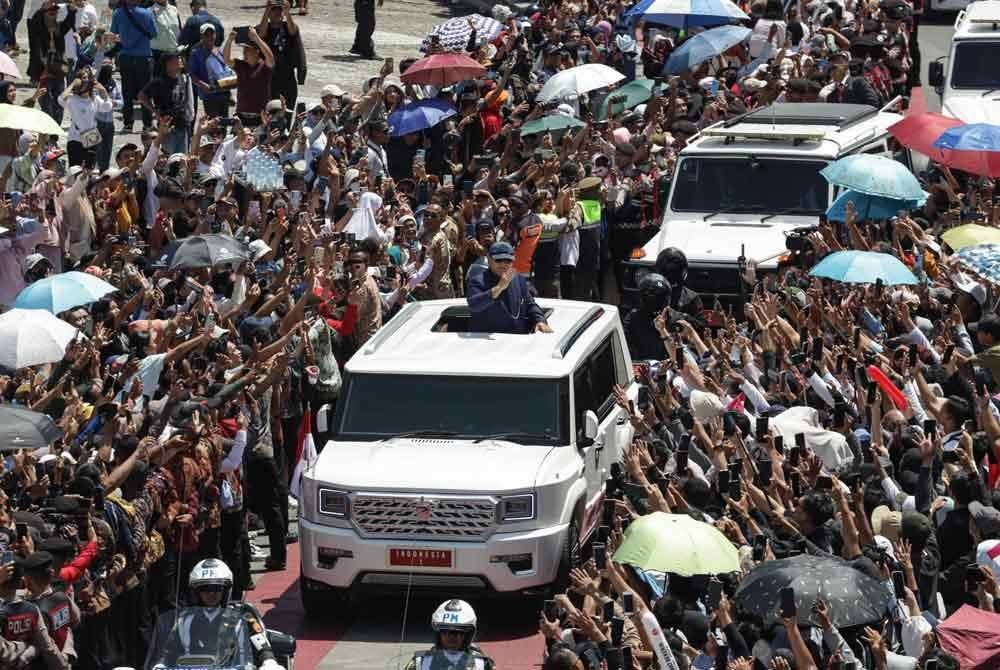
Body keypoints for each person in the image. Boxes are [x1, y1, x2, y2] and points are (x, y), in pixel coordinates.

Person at [145, 559, 284, 670]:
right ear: (196, 591)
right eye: (205, 588)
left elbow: (262, 644)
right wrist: (159, 664)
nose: (211, 593)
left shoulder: (244, 616)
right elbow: (167, 652)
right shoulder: (183, 620)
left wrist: (269, 661)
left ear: (226, 590)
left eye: (217, 588)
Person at [467, 242, 552, 335]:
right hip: (485, 342)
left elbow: (530, 304)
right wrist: (499, 288)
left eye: (508, 261)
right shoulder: (477, 281)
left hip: (515, 339)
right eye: (498, 260)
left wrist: (540, 320)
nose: (503, 264)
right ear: (489, 259)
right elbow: (474, 305)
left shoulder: (518, 279)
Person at [405, 600, 495, 670]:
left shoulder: (482, 664)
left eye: (457, 632)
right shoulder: (420, 662)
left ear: (468, 635)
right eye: (445, 631)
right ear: (438, 633)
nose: (450, 636)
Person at [110, 0, 156, 132]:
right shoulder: (147, 13)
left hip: (126, 56)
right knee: (145, 91)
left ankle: (128, 124)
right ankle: (147, 124)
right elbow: (153, 33)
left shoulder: (118, 13)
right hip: (143, 56)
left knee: (127, 91)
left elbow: (114, 33)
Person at [255, 0, 306, 112]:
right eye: (274, 10)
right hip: (269, 77)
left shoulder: (288, 27)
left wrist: (287, 12)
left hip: (287, 76)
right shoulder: (264, 27)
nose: (277, 13)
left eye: (280, 10)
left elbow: (293, 31)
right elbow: (260, 34)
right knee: (271, 110)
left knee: (288, 109)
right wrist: (267, 9)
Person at [58, 65, 113, 168]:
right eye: (83, 78)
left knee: (88, 170)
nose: (86, 81)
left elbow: (107, 107)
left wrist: (103, 91)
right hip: (75, 138)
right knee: (75, 170)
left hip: (91, 137)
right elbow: (61, 99)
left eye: (88, 78)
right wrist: (73, 84)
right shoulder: (72, 99)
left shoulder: (94, 99)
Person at [223, 25, 274, 126]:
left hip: (259, 118)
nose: (244, 53)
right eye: (244, 50)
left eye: (247, 50)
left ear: (257, 51)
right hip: (241, 116)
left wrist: (257, 39)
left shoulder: (264, 67)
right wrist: (229, 41)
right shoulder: (241, 65)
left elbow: (271, 58)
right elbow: (226, 60)